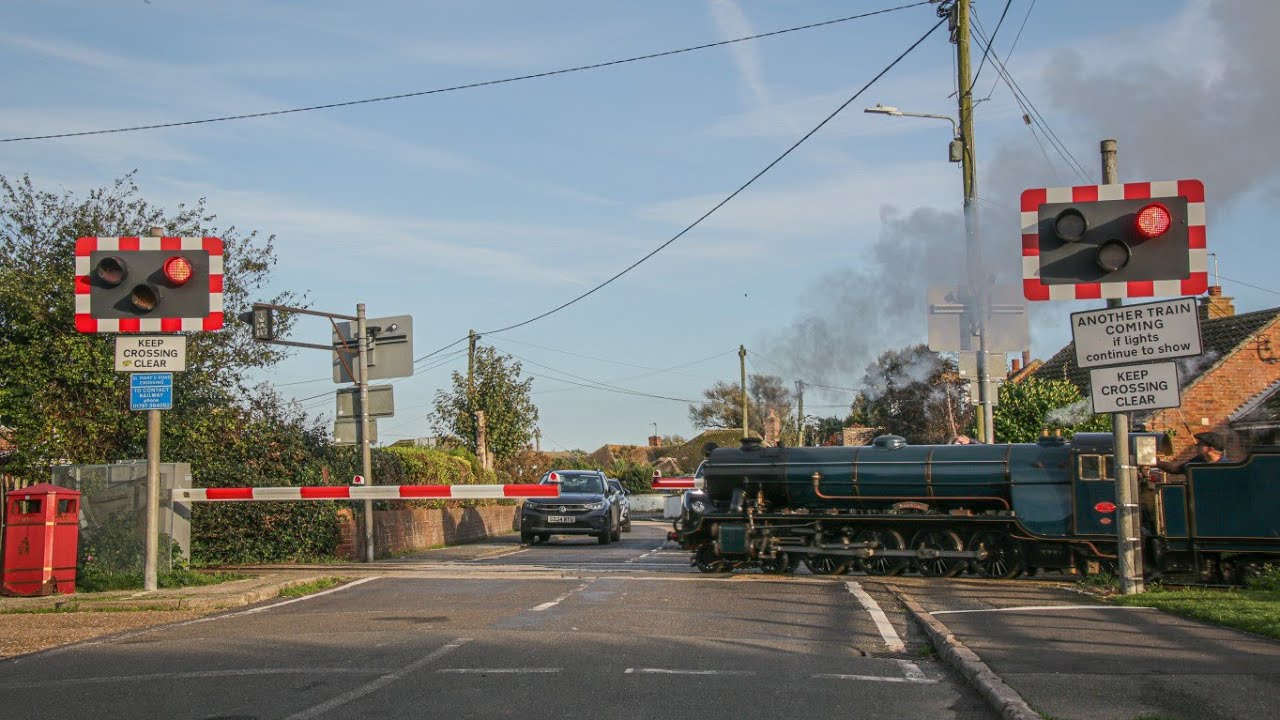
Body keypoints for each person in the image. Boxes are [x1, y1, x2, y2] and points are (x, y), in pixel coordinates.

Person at [1155, 431, 1227, 476]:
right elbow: (1175, 469)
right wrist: (1155, 462)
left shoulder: (1227, 467)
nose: (1197, 447)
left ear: (1210, 448)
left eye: (1200, 445)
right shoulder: (1198, 460)